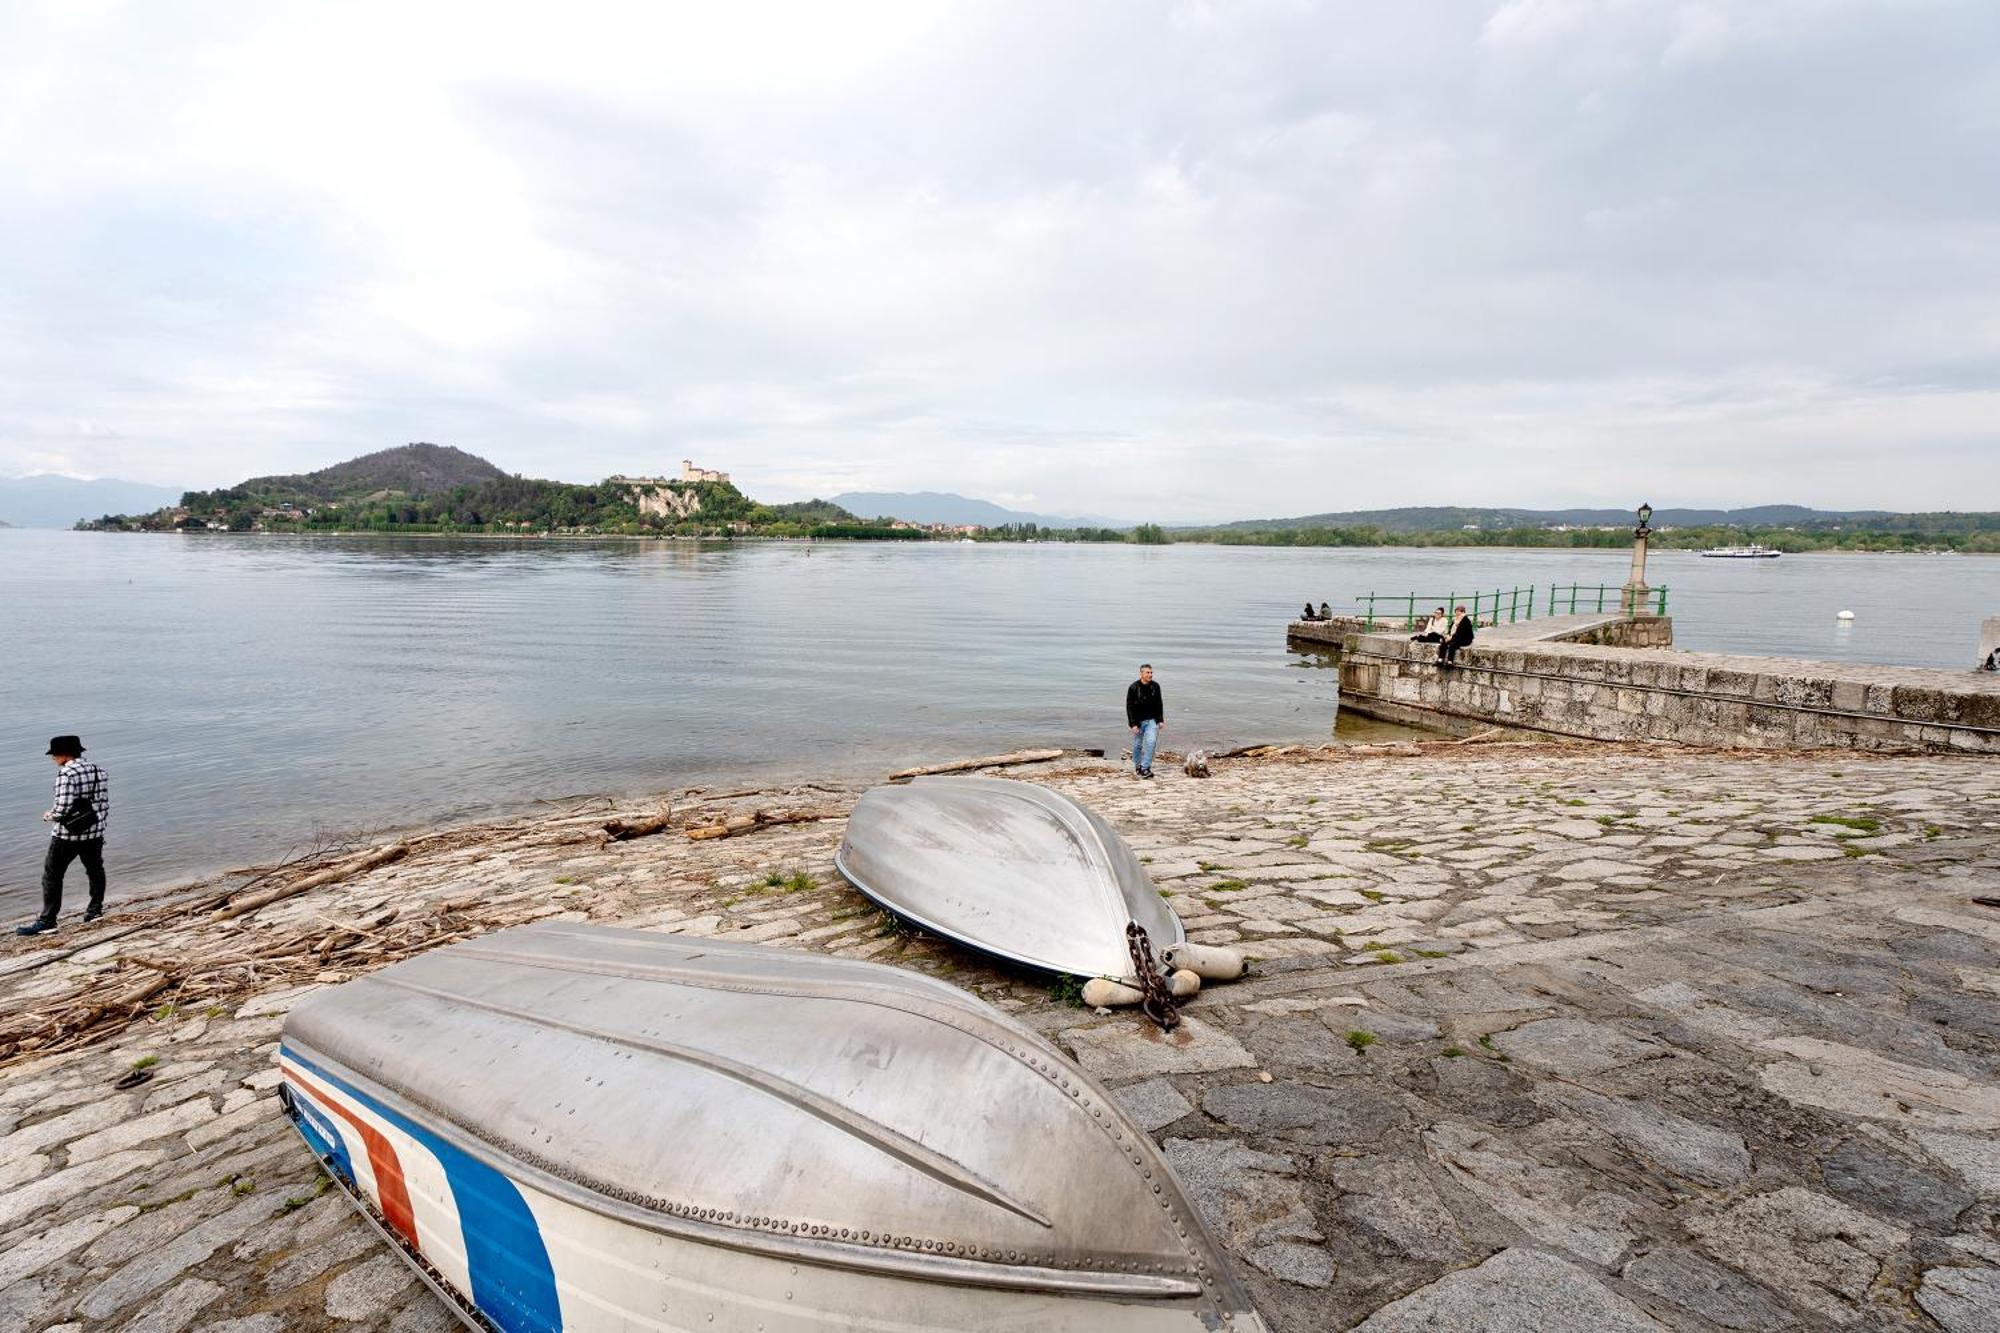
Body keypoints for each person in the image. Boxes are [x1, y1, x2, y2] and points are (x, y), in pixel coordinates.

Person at [19, 735, 109, 936]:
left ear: (64, 755)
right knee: (95, 871)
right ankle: (94, 911)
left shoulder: (66, 774)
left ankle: (48, 921)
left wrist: (48, 815)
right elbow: (102, 804)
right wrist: (99, 826)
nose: (53, 759)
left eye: (54, 755)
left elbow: (62, 809)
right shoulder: (98, 771)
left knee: (52, 876)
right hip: (94, 832)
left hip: (67, 836)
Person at [1125, 664, 1165, 780]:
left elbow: (1159, 703)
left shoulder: (1155, 686)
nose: (1150, 675)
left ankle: (1145, 767)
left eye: (1151, 672)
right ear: (1141, 674)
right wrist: (1132, 724)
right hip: (1138, 722)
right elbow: (1129, 707)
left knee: (1151, 742)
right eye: (1147, 673)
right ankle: (1138, 766)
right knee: (1138, 745)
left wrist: (1160, 720)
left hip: (1152, 720)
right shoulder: (1133, 687)